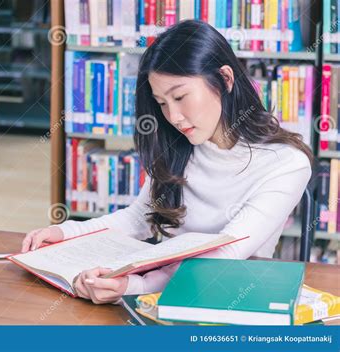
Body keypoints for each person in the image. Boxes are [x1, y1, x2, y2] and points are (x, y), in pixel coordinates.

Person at [22, 19, 313, 305]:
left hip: (234, 299)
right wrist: (63, 233)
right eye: (162, 103)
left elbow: (224, 254)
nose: (172, 117)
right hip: (159, 297)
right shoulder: (180, 146)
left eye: (180, 96)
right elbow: (140, 218)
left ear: (225, 79)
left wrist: (136, 284)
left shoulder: (286, 164)